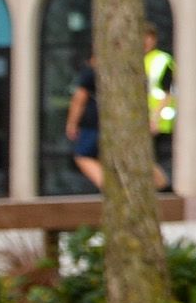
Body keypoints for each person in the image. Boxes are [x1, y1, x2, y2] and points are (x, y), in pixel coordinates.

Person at [59, 44, 175, 192]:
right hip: (125, 122)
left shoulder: (92, 72)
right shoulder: (125, 71)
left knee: (84, 156)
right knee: (134, 156)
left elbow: (79, 99)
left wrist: (72, 123)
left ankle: (113, 189)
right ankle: (164, 188)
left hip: (95, 124)